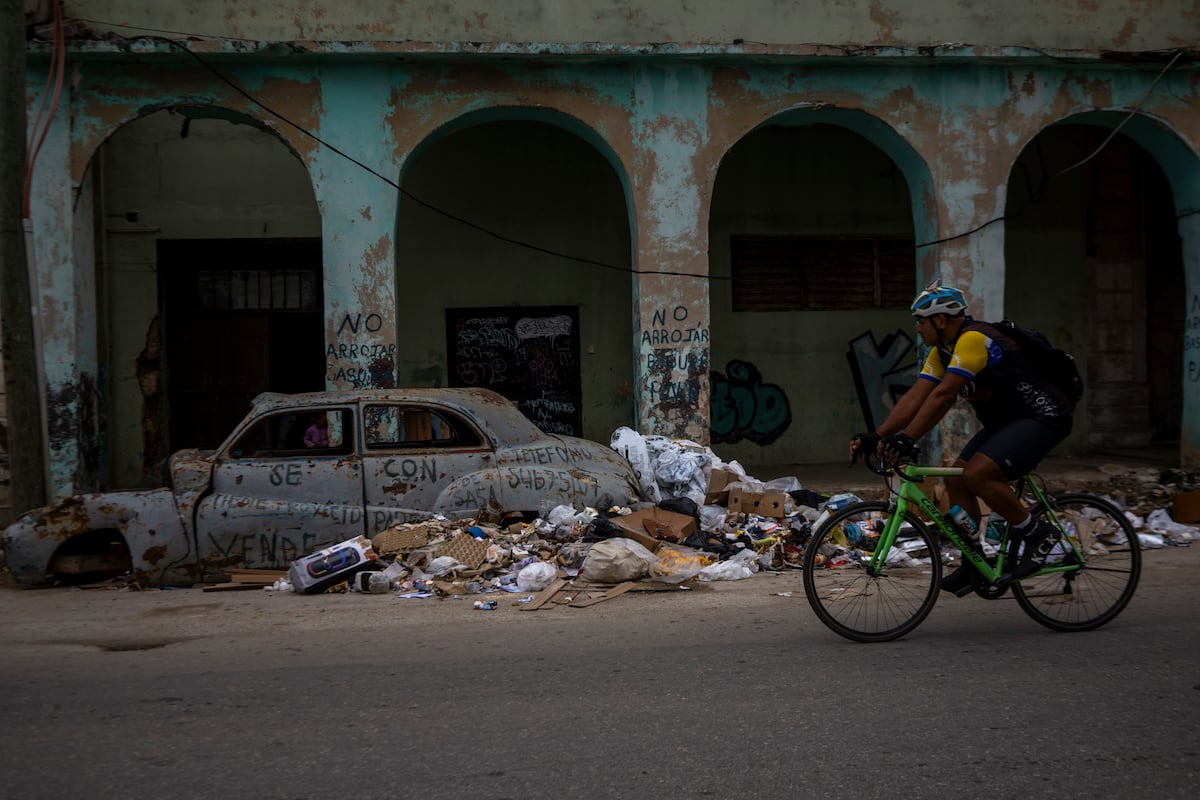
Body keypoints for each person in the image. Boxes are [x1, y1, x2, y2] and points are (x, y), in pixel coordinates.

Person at [849, 279, 1074, 593]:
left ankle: (1037, 533)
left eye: (920, 321)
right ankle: (974, 562)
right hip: (1006, 423)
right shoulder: (941, 353)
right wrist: (877, 435)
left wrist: (908, 438)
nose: (917, 328)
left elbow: (943, 396)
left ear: (941, 321)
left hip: (1041, 418)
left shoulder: (973, 340)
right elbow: (916, 396)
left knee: (978, 474)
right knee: (956, 479)